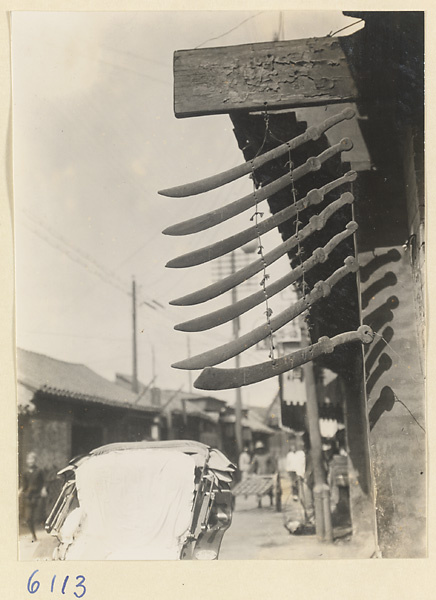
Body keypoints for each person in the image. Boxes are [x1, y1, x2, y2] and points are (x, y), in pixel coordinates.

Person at [19, 452, 46, 542]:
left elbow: (44, 482)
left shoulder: (39, 471)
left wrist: (43, 489)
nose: (31, 461)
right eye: (29, 459)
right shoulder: (25, 473)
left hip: (37, 496)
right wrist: (20, 491)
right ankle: (33, 535)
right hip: (29, 497)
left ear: (35, 461)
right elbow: (24, 485)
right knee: (28, 518)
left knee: (39, 517)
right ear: (27, 461)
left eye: (32, 459)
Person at [250, 441, 275, 508]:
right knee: (259, 488)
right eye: (258, 449)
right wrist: (250, 472)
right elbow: (252, 465)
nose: (260, 450)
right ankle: (259, 502)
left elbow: (272, 463)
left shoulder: (268, 455)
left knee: (269, 488)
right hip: (259, 474)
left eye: (261, 449)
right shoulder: (256, 457)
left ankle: (271, 501)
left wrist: (273, 470)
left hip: (267, 473)